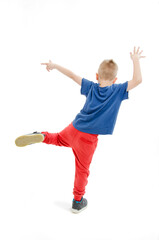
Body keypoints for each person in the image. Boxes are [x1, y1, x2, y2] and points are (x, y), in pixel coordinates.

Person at [15, 46, 145, 213]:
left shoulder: (91, 86)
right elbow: (137, 80)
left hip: (74, 127)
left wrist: (54, 66)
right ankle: (77, 201)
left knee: (57, 139)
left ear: (97, 76)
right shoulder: (118, 90)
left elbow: (72, 75)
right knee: (82, 170)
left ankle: (42, 135)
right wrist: (135, 60)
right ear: (115, 79)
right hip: (88, 139)